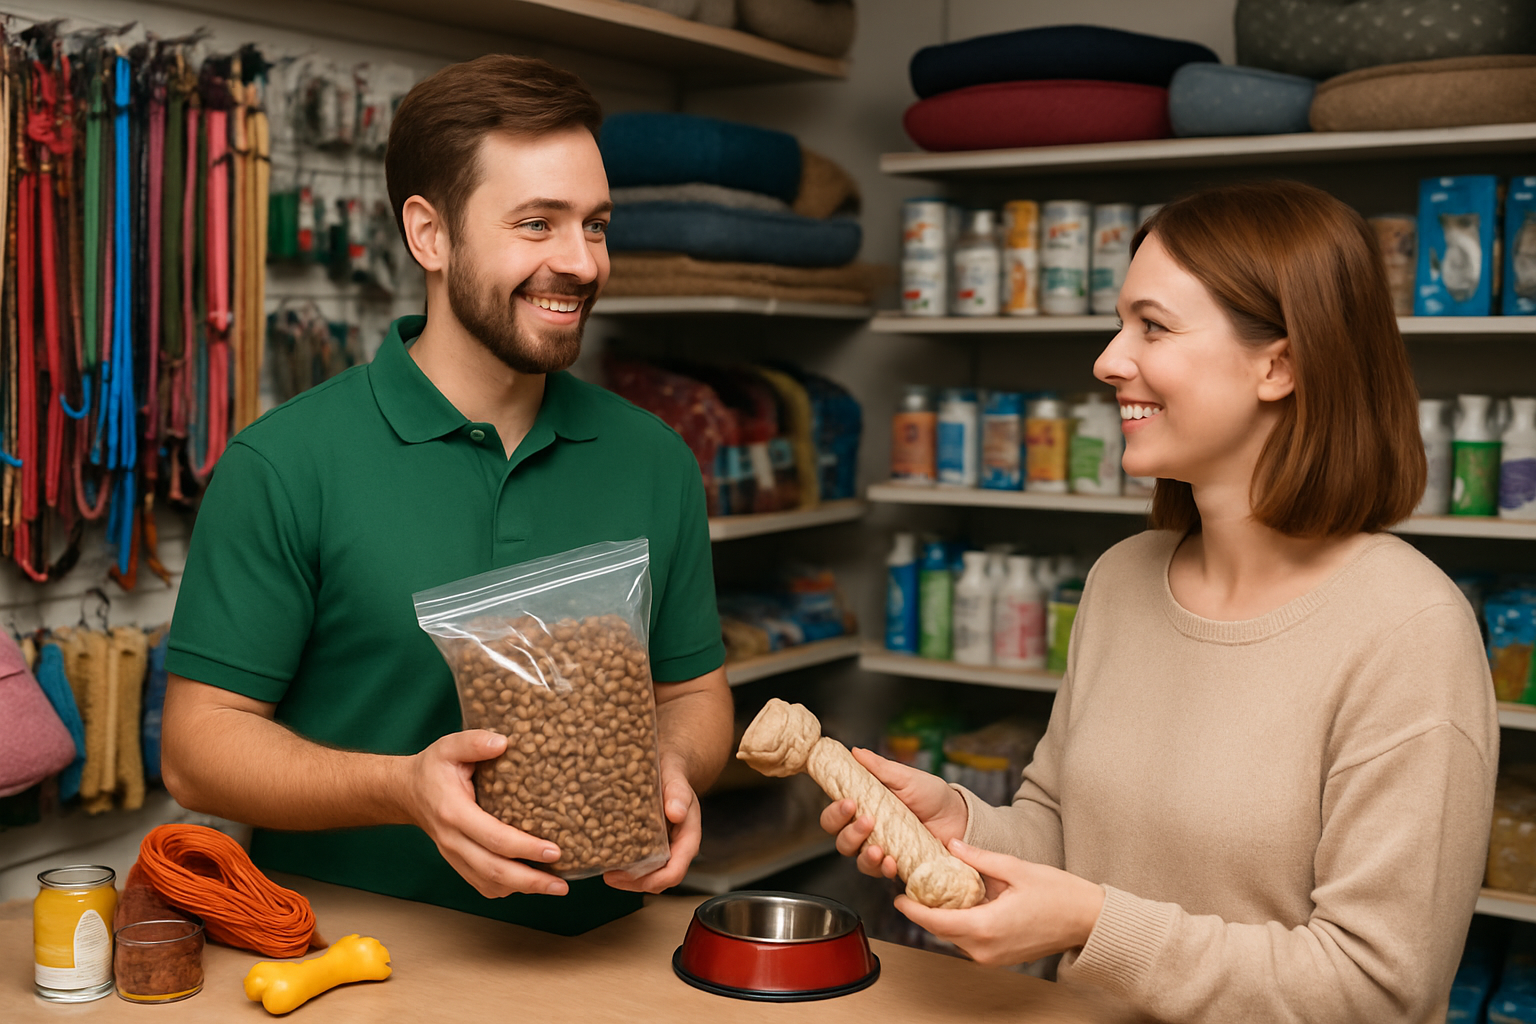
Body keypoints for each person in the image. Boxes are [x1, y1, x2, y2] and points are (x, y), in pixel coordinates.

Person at [824, 181, 1496, 1020]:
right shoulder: (1121, 579)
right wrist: (959, 825)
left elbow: (1379, 990)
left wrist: (1095, 925)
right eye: (1119, 322)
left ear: (1279, 364)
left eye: (1154, 326)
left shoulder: (1407, 630)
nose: (1108, 360)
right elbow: (1068, 835)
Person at [160, 55, 734, 936]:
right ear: (429, 234)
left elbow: (694, 695)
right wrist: (400, 788)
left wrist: (669, 768)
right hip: (348, 961)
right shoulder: (286, 462)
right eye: (537, 224)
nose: (580, 263)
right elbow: (198, 753)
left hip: (599, 958)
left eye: (597, 225)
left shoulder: (653, 457)